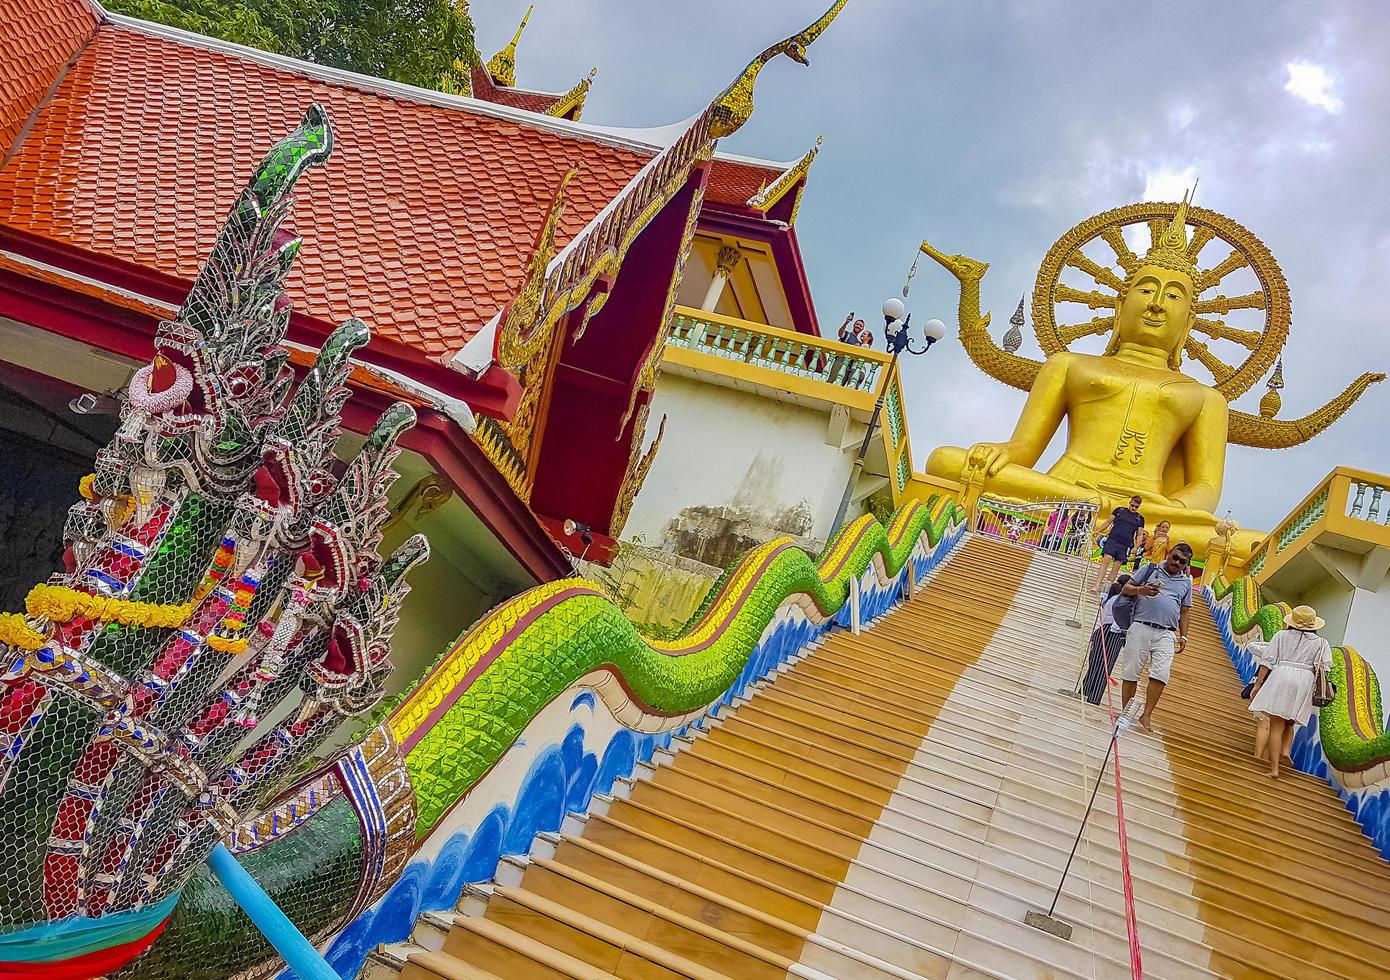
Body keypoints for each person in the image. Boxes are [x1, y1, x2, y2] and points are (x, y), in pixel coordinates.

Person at [1247, 605, 1333, 778]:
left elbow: (1268, 661)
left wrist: (1257, 684)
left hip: (1282, 675)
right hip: (1304, 681)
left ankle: (1274, 769)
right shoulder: (1321, 643)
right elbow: (1325, 667)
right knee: (1290, 721)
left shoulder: (1281, 636)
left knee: (1276, 724)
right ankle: (1285, 750)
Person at [1117, 542, 1194, 732]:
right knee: (1131, 671)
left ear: (1186, 564)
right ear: (1168, 554)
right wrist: (1140, 590)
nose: (1176, 563)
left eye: (1182, 561)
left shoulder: (1186, 582)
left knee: (1161, 674)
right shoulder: (1150, 569)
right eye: (1174, 557)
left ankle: (1147, 715)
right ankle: (1126, 713)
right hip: (1141, 625)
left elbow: (1185, 611)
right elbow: (1125, 588)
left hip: (1167, 632)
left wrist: (1184, 636)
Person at [1082, 574, 1130, 704]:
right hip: (1113, 632)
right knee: (1105, 665)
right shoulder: (1121, 600)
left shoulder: (1112, 598)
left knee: (1096, 662)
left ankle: (1086, 689)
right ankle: (1094, 696)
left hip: (1103, 630)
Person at [1094, 495, 1145, 594]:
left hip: (1125, 545)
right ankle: (1097, 584)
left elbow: (1139, 535)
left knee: (1116, 567)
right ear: (1129, 503)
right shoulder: (1119, 510)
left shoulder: (1139, 518)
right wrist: (1098, 530)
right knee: (1106, 560)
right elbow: (1108, 522)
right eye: (1133, 505)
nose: (1134, 508)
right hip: (1113, 540)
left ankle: (1106, 589)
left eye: (1136, 507)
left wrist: (1136, 547)